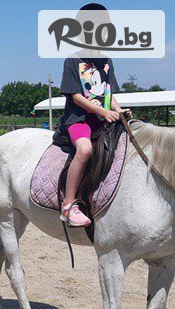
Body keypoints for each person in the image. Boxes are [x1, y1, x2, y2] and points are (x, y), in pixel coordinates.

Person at [56, 3, 130, 227]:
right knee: (85, 149)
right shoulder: (73, 60)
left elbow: (108, 93)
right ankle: (68, 204)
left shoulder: (106, 61)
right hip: (79, 119)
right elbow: (76, 96)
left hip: (103, 117)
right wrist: (101, 111)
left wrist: (118, 110)